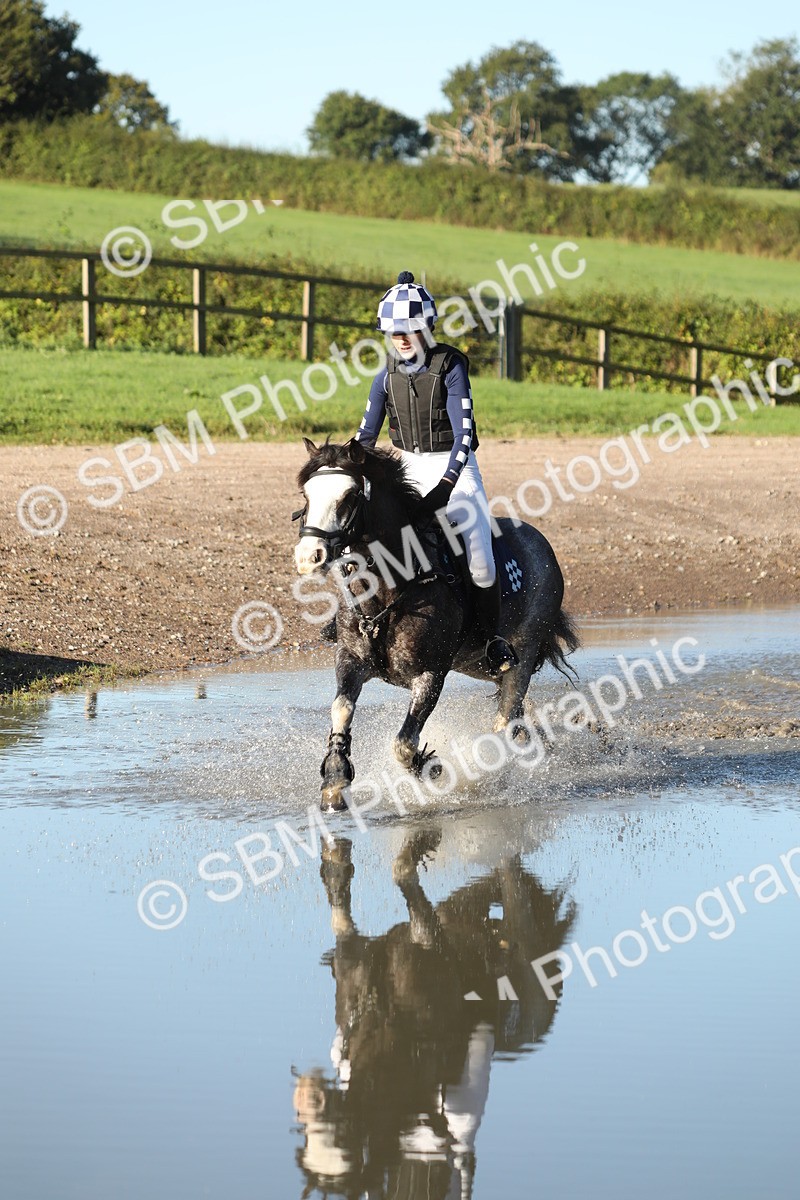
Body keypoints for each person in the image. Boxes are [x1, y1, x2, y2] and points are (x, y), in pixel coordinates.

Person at [354, 270, 518, 677]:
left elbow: (465, 435)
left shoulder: (451, 367)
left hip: (454, 468)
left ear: (427, 327)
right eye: (395, 332)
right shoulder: (385, 377)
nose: (403, 339)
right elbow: (364, 439)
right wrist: (343, 468)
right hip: (406, 467)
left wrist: (448, 484)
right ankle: (351, 617)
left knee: (479, 556)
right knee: (363, 533)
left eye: (410, 330)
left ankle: (491, 638)